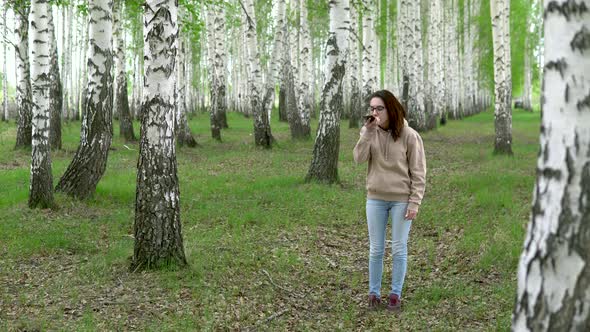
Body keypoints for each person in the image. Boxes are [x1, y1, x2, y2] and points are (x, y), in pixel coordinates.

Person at [353, 90, 426, 312]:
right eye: (372, 108)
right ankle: (373, 295)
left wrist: (415, 202)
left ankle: (395, 294)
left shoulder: (409, 135)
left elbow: (419, 172)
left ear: (390, 109)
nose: (374, 112)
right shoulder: (369, 132)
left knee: (398, 248)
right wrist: (366, 133)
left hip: (401, 200)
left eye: (379, 108)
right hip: (375, 198)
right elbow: (358, 159)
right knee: (376, 249)